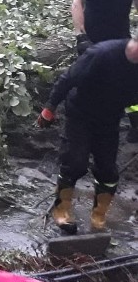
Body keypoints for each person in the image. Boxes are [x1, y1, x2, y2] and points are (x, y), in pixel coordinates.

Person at [37, 36, 138, 234]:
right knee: (75, 162)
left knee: (108, 171)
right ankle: (62, 209)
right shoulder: (101, 54)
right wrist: (50, 107)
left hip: (109, 121)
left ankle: (99, 215)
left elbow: (134, 100)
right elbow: (67, 79)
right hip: (80, 115)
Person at [71, 0, 138, 138]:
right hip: (96, 36)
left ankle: (135, 123)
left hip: (121, 33)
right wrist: (81, 35)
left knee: (131, 79)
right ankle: (84, 129)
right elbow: (77, 1)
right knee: (92, 82)